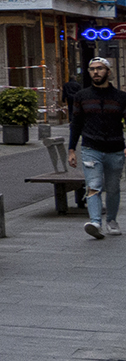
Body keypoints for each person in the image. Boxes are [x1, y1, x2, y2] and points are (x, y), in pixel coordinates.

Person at [68, 56, 126, 239]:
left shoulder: (121, 97)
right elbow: (76, 123)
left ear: (108, 71)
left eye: (100, 68)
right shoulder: (82, 96)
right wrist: (71, 149)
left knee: (113, 188)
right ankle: (95, 223)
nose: (96, 72)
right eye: (92, 69)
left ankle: (111, 221)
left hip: (115, 149)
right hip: (91, 148)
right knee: (93, 186)